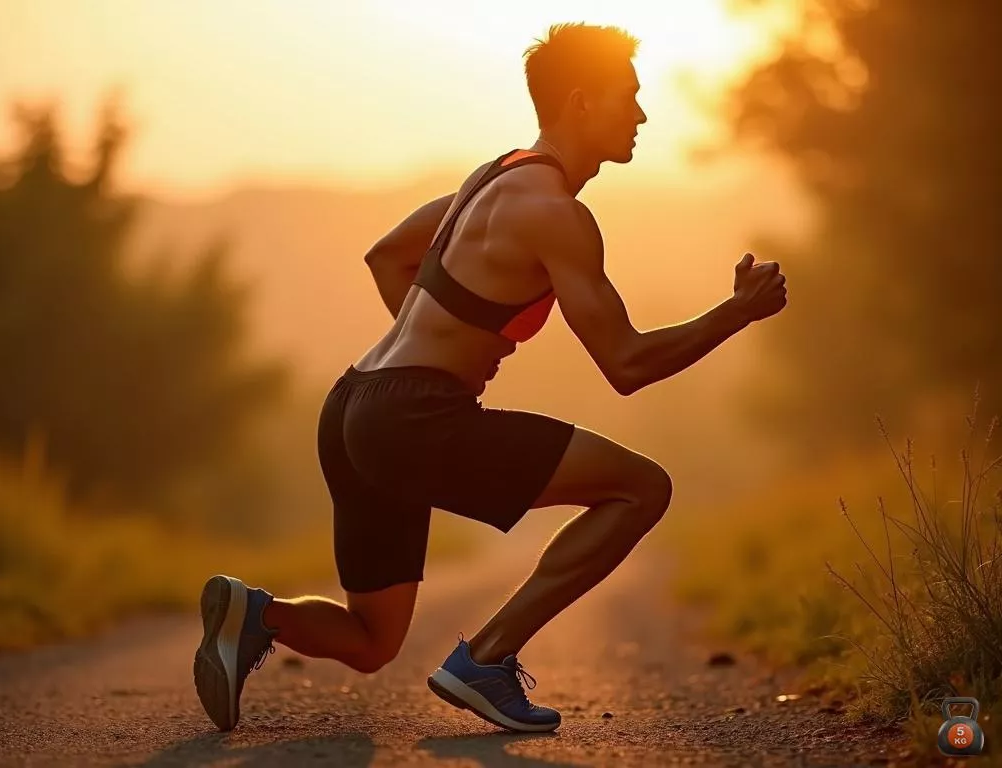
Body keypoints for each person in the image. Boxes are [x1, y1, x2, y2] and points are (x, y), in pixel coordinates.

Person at [193, 22, 788, 734]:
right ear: (579, 101)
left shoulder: (491, 179)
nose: (641, 115)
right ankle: (488, 657)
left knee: (372, 641)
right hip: (411, 417)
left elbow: (388, 256)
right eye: (627, 96)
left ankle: (254, 613)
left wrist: (459, 344)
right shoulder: (557, 213)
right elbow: (627, 365)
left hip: (352, 403)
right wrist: (736, 313)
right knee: (642, 486)